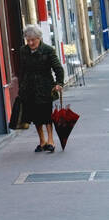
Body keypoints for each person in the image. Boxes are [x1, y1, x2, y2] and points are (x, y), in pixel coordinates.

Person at [18, 24, 64, 153]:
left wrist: (59, 83)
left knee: (47, 115)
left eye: (33, 40)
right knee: (35, 117)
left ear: (39, 38)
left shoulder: (48, 50)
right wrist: (21, 86)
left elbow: (58, 68)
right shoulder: (23, 50)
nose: (31, 43)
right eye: (28, 40)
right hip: (29, 89)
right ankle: (42, 141)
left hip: (45, 87)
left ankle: (51, 141)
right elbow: (22, 70)